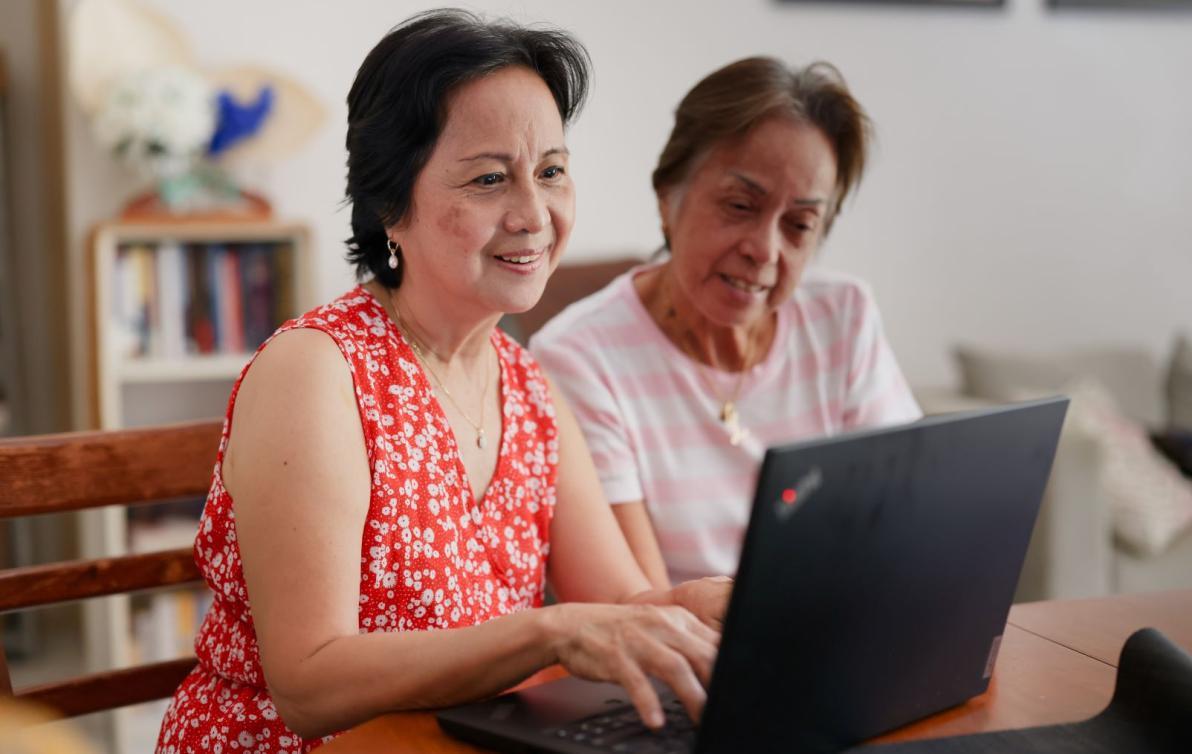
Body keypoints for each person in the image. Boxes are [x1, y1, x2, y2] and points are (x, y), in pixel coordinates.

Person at [155, 11, 730, 753]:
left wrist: (692, 604)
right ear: (392, 205)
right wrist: (549, 632)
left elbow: (615, 602)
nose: (534, 214)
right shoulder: (317, 371)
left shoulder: (528, 386)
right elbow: (309, 682)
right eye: (490, 179)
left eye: (551, 170)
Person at [530, 57, 922, 589]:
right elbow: (642, 610)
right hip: (690, 663)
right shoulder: (580, 359)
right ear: (668, 198)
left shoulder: (842, 316)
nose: (764, 250)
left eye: (800, 224)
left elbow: (904, 523)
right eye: (740, 205)